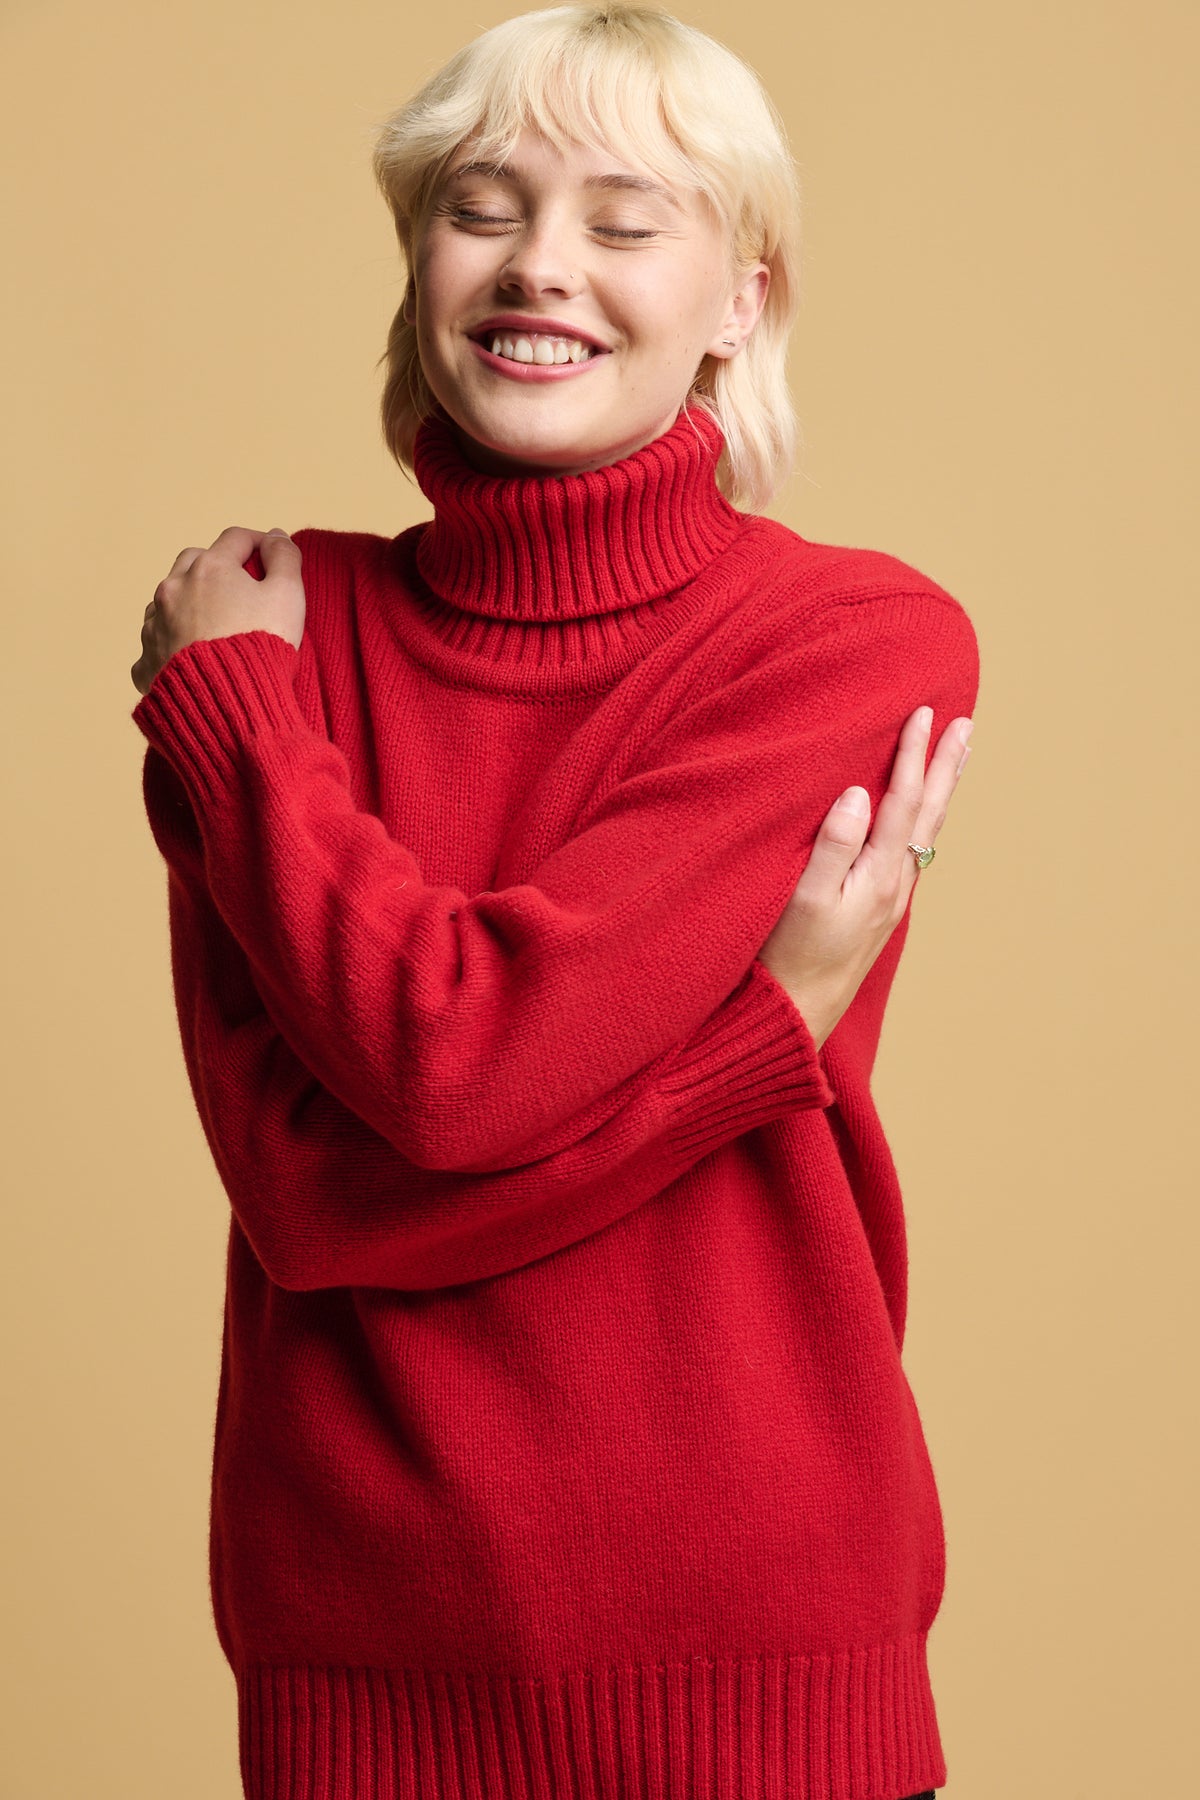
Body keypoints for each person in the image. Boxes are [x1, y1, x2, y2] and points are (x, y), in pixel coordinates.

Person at [129, 6, 977, 1797]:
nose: (540, 268)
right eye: (482, 203)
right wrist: (757, 1044)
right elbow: (315, 1191)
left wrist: (243, 733)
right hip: (363, 1668)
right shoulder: (266, 652)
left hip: (765, 1665)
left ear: (743, 293)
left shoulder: (849, 643)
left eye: (625, 217)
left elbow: (455, 1070)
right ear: (418, 254)